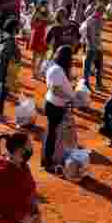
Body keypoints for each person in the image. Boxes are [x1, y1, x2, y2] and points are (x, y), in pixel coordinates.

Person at [42, 45, 75, 173]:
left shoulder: (58, 69)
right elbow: (55, 90)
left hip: (57, 105)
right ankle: (48, 162)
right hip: (54, 106)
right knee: (52, 134)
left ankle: (49, 159)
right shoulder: (57, 70)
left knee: (54, 133)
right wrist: (69, 97)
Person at [0, 17, 22, 124]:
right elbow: (8, 54)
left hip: (2, 67)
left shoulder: (5, 37)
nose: (19, 28)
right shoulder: (10, 41)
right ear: (13, 28)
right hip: (5, 68)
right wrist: (16, 54)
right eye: (17, 26)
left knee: (4, 92)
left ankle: (0, 114)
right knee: (4, 92)